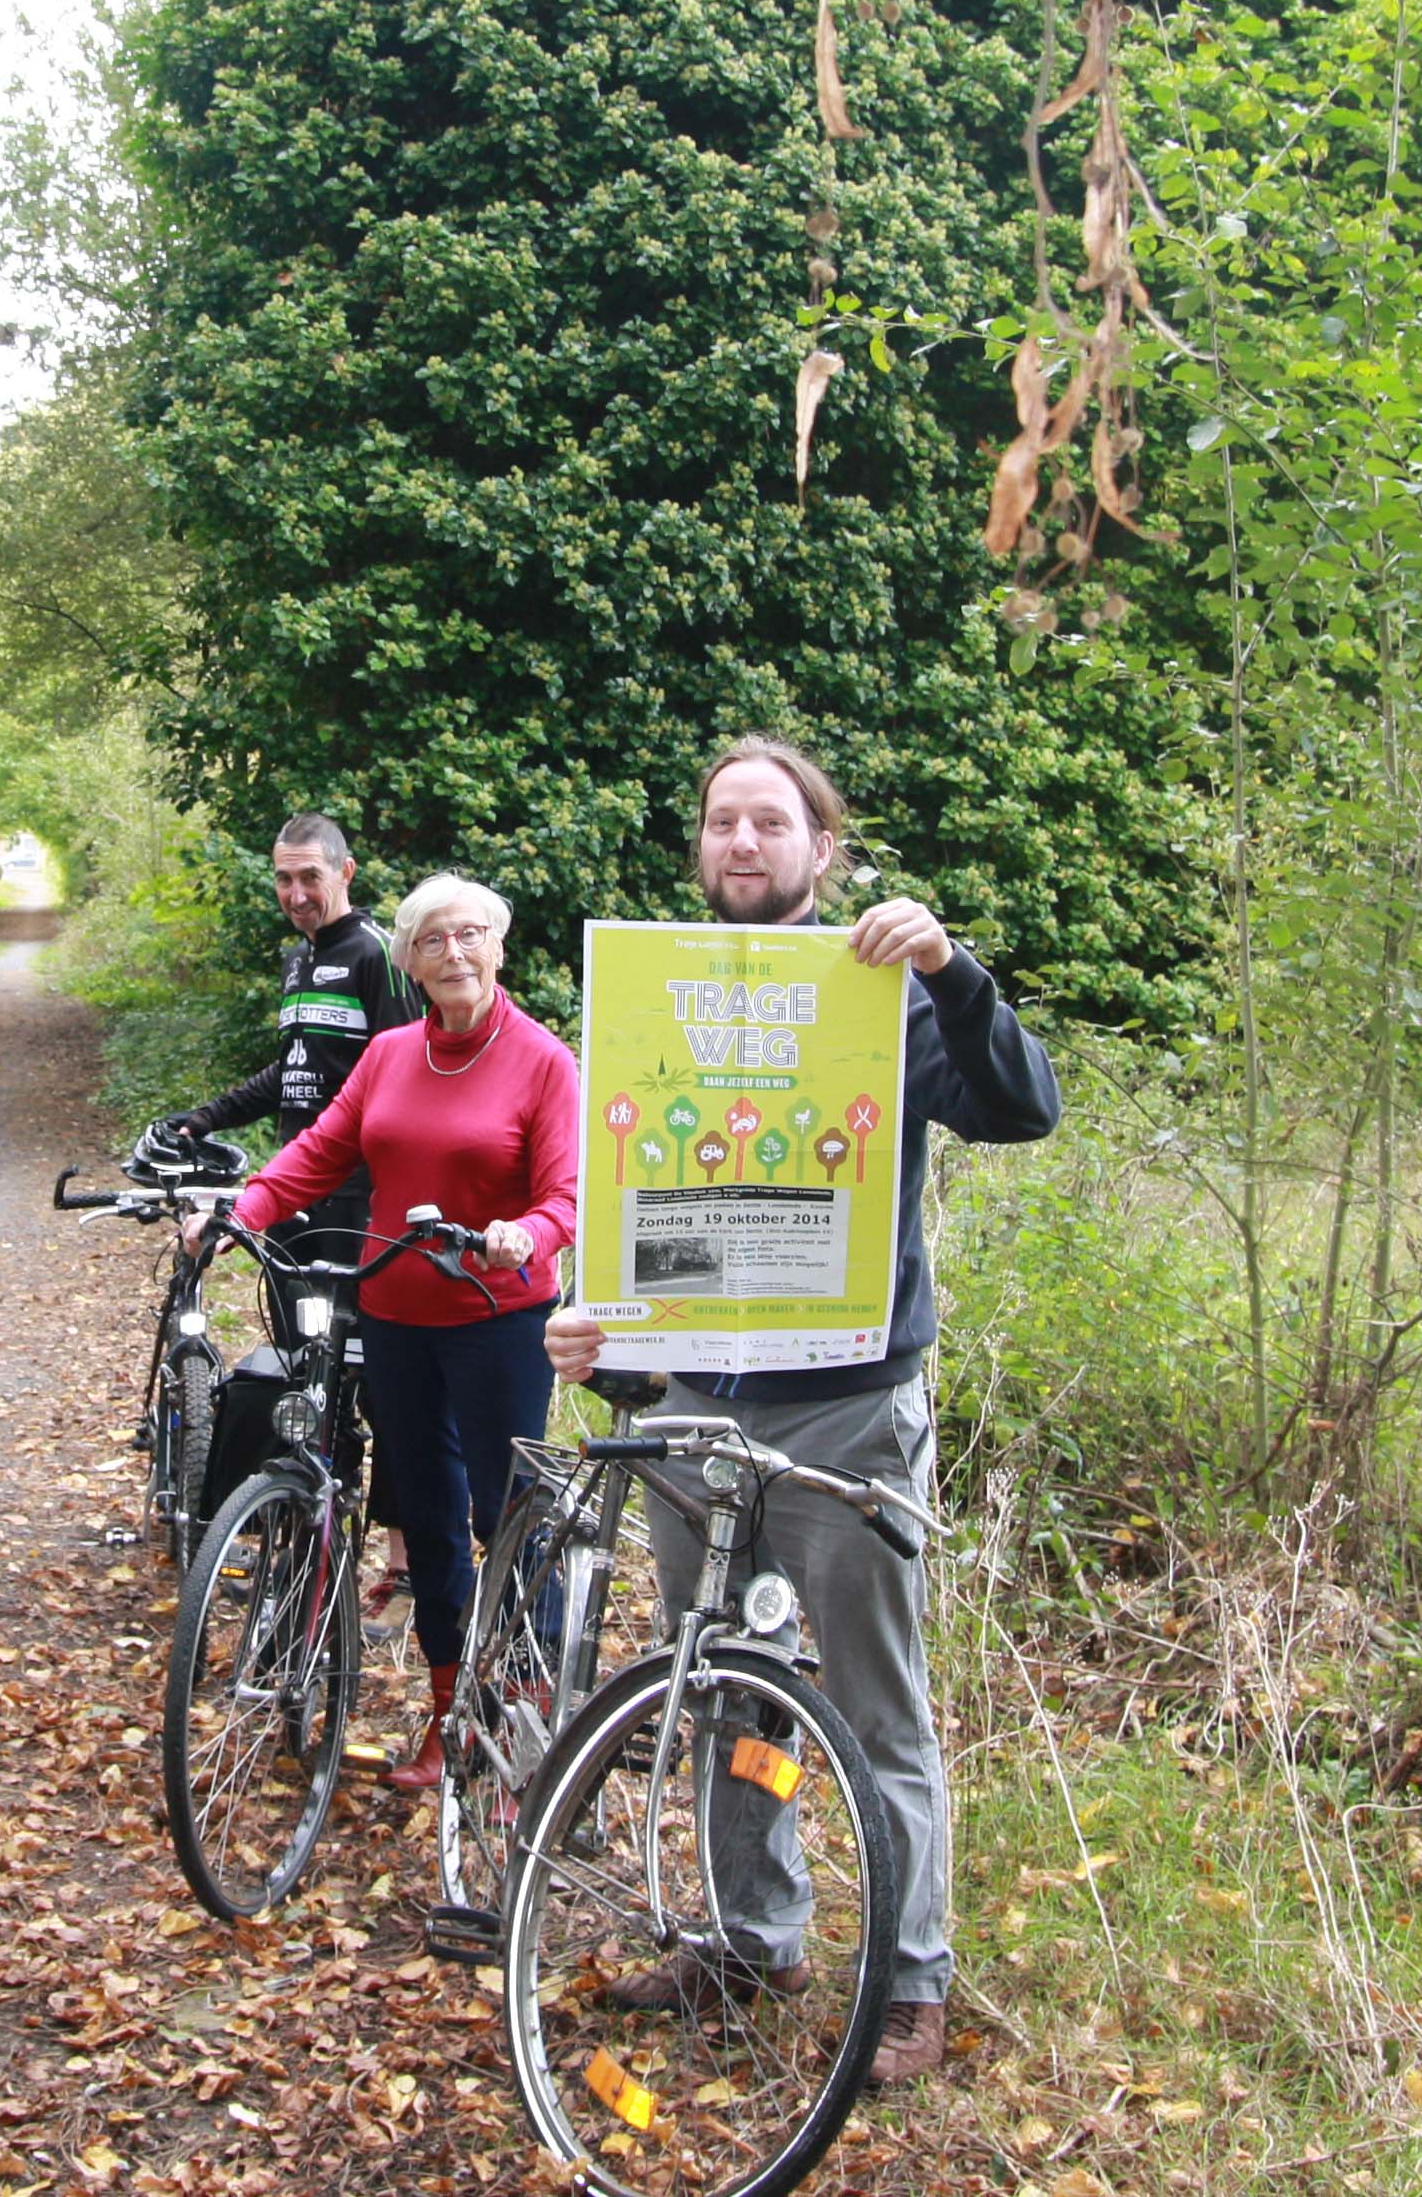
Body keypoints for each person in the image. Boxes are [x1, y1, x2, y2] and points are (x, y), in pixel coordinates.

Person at [545, 735, 1062, 2087]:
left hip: (845, 1411)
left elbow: (1020, 1107)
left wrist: (949, 973)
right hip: (699, 1408)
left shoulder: (882, 994)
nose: (742, 841)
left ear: (818, 851)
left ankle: (908, 1979)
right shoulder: (653, 996)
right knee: (723, 1690)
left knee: (878, 1708)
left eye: (769, 821)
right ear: (700, 845)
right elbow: (629, 1178)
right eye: (722, 819)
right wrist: (592, 1323)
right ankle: (752, 1932)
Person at [189, 873, 577, 1794]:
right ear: (405, 959)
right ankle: (447, 1710)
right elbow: (322, 1147)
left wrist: (529, 1233)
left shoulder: (541, 1060)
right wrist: (240, 1206)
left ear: (498, 947)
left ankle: (531, 1699)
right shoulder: (391, 1054)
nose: (454, 953)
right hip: (397, 1317)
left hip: (498, 1317)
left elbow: (564, 1193)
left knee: (506, 1511)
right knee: (432, 1523)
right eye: (433, 939)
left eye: (471, 935)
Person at [168, 814, 422, 1598]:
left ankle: (398, 1569)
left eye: (310, 876)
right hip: (294, 1201)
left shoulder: (378, 954)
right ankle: (308, 1551)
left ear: (347, 872)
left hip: (362, 1205)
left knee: (379, 1386)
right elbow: (291, 1074)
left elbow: (408, 1072)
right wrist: (200, 1119)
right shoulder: (298, 961)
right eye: (282, 878)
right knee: (303, 1382)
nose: (296, 893)